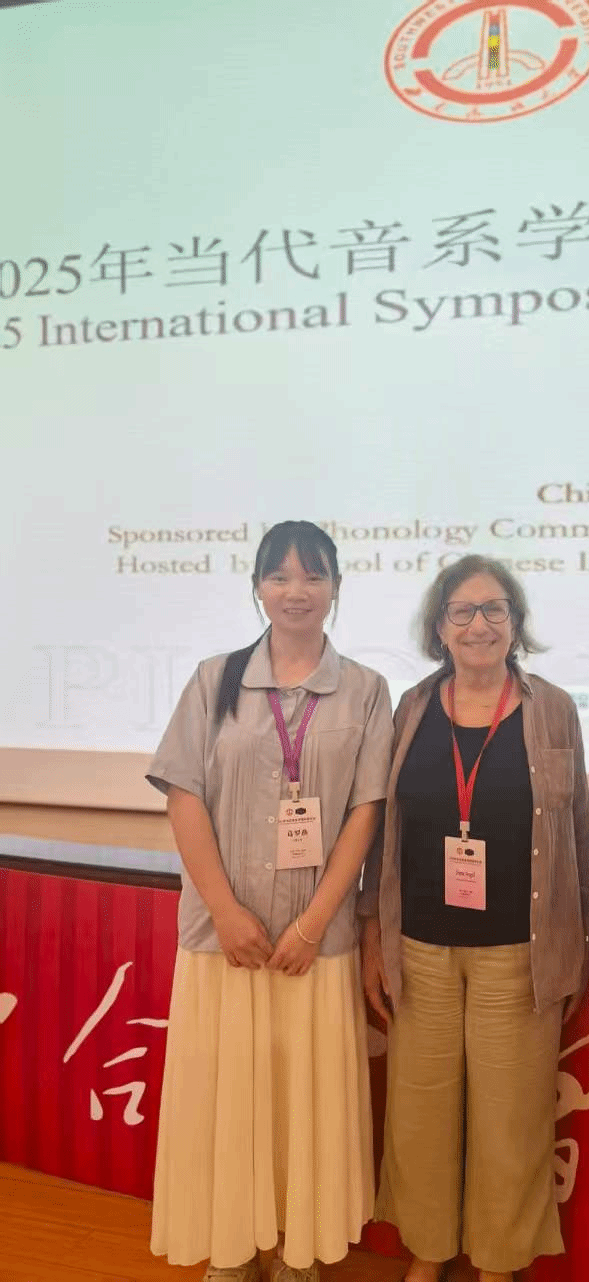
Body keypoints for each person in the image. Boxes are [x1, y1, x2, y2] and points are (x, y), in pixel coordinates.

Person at [147, 520, 393, 1282]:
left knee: (303, 1104)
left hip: (313, 944)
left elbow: (366, 812)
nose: (296, 591)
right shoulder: (213, 679)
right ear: (256, 587)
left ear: (336, 588)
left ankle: (296, 1251)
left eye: (313, 576)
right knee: (227, 1099)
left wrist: (315, 924)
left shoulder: (366, 690)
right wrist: (225, 912)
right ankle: (233, 1248)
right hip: (225, 939)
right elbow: (184, 795)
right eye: (280, 576)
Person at [359, 554, 589, 1282]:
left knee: (511, 1120)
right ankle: (429, 1251)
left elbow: (578, 832)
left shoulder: (552, 708)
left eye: (495, 609)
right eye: (462, 612)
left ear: (515, 623)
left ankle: (498, 1261)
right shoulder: (410, 708)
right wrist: (372, 932)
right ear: (440, 627)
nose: (479, 625)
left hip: (518, 954)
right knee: (420, 1117)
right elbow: (383, 830)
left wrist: (579, 942)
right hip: (420, 948)